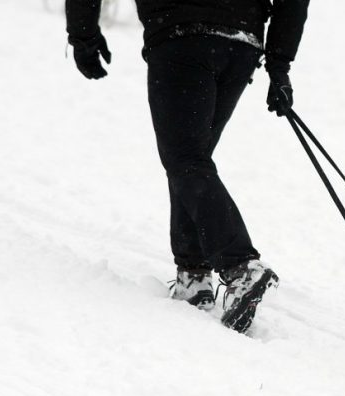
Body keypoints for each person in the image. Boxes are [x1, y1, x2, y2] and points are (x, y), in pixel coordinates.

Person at [65, 0, 310, 333]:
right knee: (192, 159)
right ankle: (193, 276)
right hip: (240, 44)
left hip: (181, 33)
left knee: (185, 158)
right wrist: (279, 64)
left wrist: (83, 35)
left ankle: (240, 266)